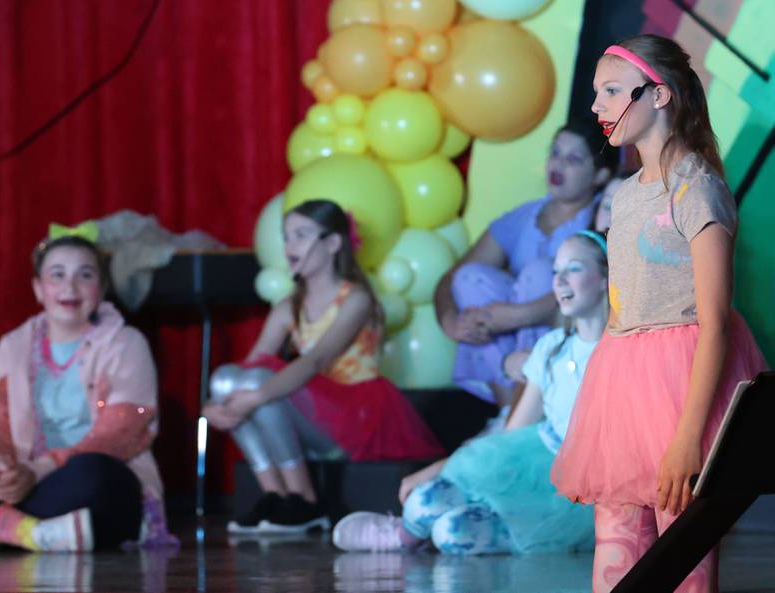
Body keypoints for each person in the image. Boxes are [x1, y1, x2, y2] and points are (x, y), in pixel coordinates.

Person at [551, 35, 769, 593]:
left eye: (612, 91)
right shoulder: (624, 196)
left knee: (684, 559)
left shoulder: (697, 189)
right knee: (616, 559)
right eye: (597, 93)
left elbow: (715, 322)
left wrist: (688, 438)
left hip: (681, 390)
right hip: (623, 390)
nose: (598, 106)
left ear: (660, 95)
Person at [333, 231, 609, 555]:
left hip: (579, 487)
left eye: (574, 269)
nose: (560, 281)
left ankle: (485, 530)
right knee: (424, 502)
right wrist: (437, 468)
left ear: (605, 277)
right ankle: (403, 536)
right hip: (534, 462)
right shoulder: (551, 349)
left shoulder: (619, 351)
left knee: (453, 533)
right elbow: (510, 437)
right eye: (555, 272)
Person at [203, 199, 443, 534]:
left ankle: (304, 498)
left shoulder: (355, 299)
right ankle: (274, 494)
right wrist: (216, 404)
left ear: (331, 243)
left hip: (354, 416)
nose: (290, 246)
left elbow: (316, 360)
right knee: (227, 377)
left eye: (301, 235)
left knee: (260, 385)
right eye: (286, 237)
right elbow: (252, 361)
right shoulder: (289, 306)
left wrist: (256, 396)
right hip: (311, 413)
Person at [0, 232, 172, 551]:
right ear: (38, 289)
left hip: (83, 484)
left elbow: (118, 434)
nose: (70, 287)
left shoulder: (126, 343)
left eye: (85, 275)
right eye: (57, 275)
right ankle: (35, 534)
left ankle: (1, 527)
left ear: (102, 289)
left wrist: (38, 471)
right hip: (26, 485)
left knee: (93, 471)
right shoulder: (13, 347)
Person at [434, 118, 618, 417]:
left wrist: (517, 315)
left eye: (572, 159)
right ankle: (508, 407)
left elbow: (605, 280)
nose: (557, 165)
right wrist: (450, 321)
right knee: (470, 278)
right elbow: (453, 277)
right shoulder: (523, 217)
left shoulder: (602, 216)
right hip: (506, 356)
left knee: (540, 274)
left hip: (568, 336)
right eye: (555, 153)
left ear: (600, 174)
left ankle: (529, 404)